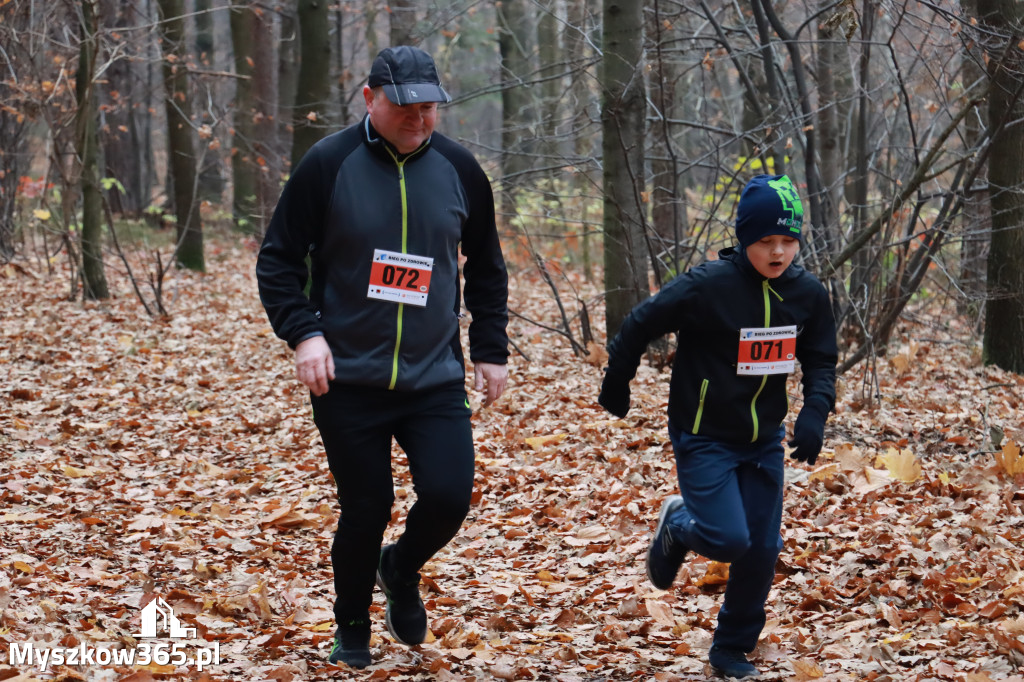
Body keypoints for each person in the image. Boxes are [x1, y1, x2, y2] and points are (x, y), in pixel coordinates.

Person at [255, 45, 509, 669]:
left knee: (450, 496)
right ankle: (352, 631)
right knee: (366, 505)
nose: (420, 119)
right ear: (369, 99)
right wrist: (304, 334)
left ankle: (400, 567)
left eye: (430, 107)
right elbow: (279, 260)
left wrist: (490, 347)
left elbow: (488, 266)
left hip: (433, 376)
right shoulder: (328, 163)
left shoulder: (459, 169)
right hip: (350, 378)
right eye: (405, 107)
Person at [598, 175, 837, 679]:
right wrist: (617, 381)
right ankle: (679, 526)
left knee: (763, 548)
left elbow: (821, 359)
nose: (777, 252)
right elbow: (640, 321)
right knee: (729, 539)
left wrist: (815, 412)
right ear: (744, 237)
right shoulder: (709, 286)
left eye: (788, 241)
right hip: (704, 433)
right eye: (765, 241)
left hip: (764, 439)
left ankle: (731, 647)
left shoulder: (807, 294)